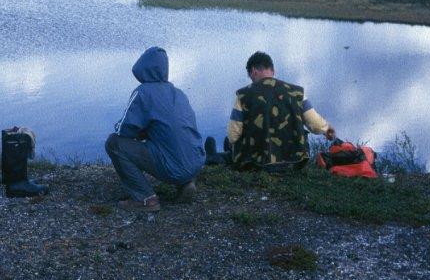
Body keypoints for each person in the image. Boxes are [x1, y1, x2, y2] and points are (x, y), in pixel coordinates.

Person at [106, 47, 205, 212]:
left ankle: (146, 199)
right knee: (170, 140)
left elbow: (124, 130)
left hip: (174, 167)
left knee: (114, 143)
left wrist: (138, 132)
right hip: (195, 163)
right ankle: (186, 183)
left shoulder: (143, 93)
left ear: (142, 67)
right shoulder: (178, 93)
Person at [205, 52, 335, 172]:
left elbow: (233, 136)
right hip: (294, 163)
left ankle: (214, 156)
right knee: (230, 144)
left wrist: (234, 143)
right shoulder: (297, 93)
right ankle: (223, 154)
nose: (251, 80)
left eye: (250, 76)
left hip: (255, 163)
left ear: (254, 71)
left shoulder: (243, 95)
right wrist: (328, 130)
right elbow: (316, 126)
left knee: (229, 143)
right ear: (273, 70)